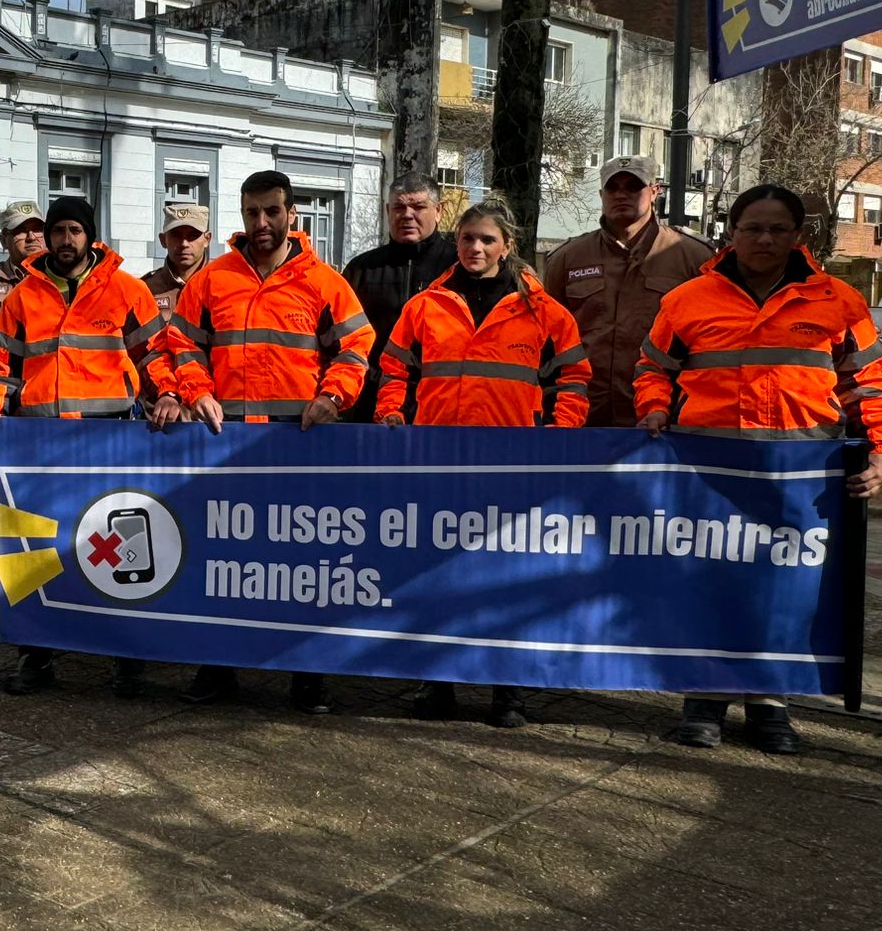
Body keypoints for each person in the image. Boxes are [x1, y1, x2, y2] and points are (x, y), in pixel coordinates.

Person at [635, 183, 882, 755]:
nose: (764, 239)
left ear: (797, 236)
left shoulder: (839, 302)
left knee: (784, 589)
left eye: (778, 229)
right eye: (752, 227)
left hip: (800, 477)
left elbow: (870, 384)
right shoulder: (686, 300)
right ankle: (704, 697)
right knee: (710, 580)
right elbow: (652, 368)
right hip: (708, 472)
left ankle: (770, 702)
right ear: (731, 232)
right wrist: (654, 408)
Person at [152, 170, 375, 713]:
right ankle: (220, 664)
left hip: (299, 445)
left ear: (292, 213)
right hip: (226, 443)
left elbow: (356, 346)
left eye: (272, 211)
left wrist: (335, 396)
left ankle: (307, 672)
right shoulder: (214, 279)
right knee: (224, 559)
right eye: (252, 213)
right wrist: (196, 389)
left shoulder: (323, 281)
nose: (261, 223)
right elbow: (180, 342)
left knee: (304, 562)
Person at [377, 203, 592, 728]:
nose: (475, 249)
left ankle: (508, 689)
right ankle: (438, 681)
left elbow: (576, 379)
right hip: (438, 460)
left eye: (486, 240)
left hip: (511, 465)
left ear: (507, 245)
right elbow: (393, 369)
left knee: (507, 578)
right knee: (439, 574)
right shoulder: (425, 307)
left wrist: (559, 435)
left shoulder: (545, 313)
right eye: (467, 239)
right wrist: (390, 411)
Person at [0, 196, 167, 697]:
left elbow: (156, 359)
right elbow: (1, 374)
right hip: (36, 446)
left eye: (74, 231)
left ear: (90, 235)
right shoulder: (21, 298)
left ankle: (127, 659)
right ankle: (34, 655)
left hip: (111, 441)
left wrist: (169, 397)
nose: (65, 240)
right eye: (58, 231)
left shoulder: (125, 291)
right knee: (32, 549)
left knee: (120, 547)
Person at [543, 154, 713, 428]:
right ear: (601, 193)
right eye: (613, 187)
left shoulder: (693, 257)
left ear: (655, 191)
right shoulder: (567, 259)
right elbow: (548, 343)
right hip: (582, 417)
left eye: (633, 187)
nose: (621, 194)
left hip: (662, 418)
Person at [342, 173, 449, 423]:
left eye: (419, 207)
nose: (407, 215)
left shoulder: (457, 268)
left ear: (439, 211)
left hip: (440, 407)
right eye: (399, 207)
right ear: (388, 210)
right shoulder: (361, 270)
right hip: (370, 405)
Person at [0, 199, 46, 299]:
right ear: (4, 241)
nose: (32, 237)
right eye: (20, 231)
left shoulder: (60, 276)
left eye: (37, 230)